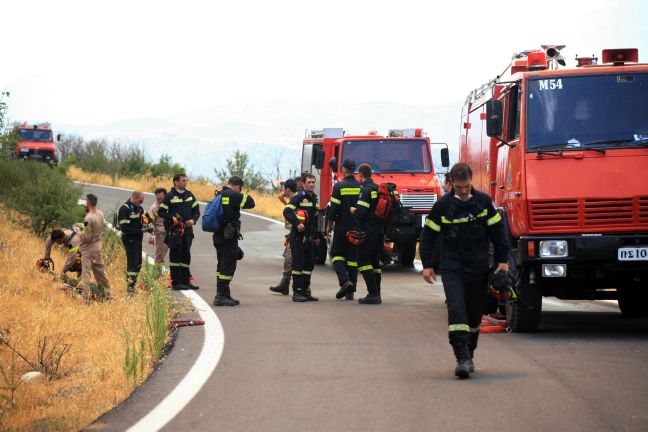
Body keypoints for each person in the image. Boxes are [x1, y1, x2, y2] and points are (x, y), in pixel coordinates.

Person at [419, 163, 509, 379]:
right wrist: (427, 265)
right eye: (459, 188)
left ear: (471, 182)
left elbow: (498, 234)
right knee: (457, 309)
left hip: (478, 268)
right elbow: (428, 237)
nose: (463, 191)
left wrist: (503, 261)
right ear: (451, 184)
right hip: (452, 267)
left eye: (466, 187)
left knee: (473, 315)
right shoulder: (443, 206)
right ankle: (461, 358)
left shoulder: (483, 203)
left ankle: (470, 353)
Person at [212, 176, 256, 306]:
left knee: (221, 264)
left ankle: (224, 294)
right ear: (238, 186)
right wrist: (246, 194)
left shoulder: (219, 194)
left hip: (218, 235)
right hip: (229, 236)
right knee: (228, 264)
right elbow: (251, 203)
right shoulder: (234, 194)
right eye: (240, 189)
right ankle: (221, 296)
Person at [158, 173, 201, 290]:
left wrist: (193, 220)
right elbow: (161, 212)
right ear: (176, 182)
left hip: (187, 230)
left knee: (186, 255)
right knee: (175, 257)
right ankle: (176, 283)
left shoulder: (189, 195)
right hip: (175, 231)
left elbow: (197, 210)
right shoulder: (170, 196)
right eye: (183, 180)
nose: (185, 182)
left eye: (186, 180)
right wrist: (172, 216)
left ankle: (186, 281)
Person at [326, 159, 361, 300]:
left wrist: (328, 224)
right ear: (354, 170)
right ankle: (350, 291)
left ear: (344, 169)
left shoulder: (339, 186)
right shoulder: (361, 186)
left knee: (336, 254)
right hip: (357, 228)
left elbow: (333, 208)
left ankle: (345, 281)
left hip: (342, 227)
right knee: (352, 259)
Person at [350, 163, 383, 304]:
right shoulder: (377, 188)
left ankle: (373, 293)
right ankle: (377, 293)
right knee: (375, 261)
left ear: (360, 175)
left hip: (368, 230)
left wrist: (353, 210)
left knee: (363, 260)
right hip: (379, 230)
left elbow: (362, 213)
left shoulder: (365, 190)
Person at [284, 174, 319, 302]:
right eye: (309, 182)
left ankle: (305, 291)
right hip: (298, 237)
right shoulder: (298, 198)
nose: (311, 184)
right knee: (298, 264)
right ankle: (297, 292)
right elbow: (287, 212)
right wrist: (297, 223)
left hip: (310, 237)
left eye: (313, 182)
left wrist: (316, 236)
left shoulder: (314, 198)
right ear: (303, 184)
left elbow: (314, 220)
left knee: (309, 264)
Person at [77, 193, 111, 300]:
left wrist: (79, 232)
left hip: (88, 249)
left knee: (86, 273)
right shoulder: (100, 213)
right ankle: (108, 294)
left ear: (87, 203)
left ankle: (85, 295)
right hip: (98, 247)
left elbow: (87, 236)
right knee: (100, 272)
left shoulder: (88, 219)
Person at [118, 190, 151, 294]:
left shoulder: (138, 208)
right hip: (129, 240)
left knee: (138, 264)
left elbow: (148, 217)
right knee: (133, 263)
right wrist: (141, 230)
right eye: (140, 201)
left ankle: (133, 285)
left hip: (137, 239)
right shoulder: (125, 209)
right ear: (135, 198)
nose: (141, 203)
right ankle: (130, 288)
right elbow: (125, 229)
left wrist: (149, 224)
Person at [269, 178, 299, 295]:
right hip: (292, 233)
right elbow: (280, 196)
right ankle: (285, 284)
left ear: (287, 189)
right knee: (288, 258)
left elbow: (280, 196)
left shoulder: (296, 200)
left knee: (290, 259)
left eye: (285, 189)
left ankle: (288, 284)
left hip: (295, 233)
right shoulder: (294, 200)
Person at [148, 187, 169, 272]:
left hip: (172, 233)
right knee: (160, 256)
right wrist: (152, 236)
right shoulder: (154, 208)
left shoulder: (170, 204)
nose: (160, 200)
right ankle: (157, 274)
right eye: (158, 198)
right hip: (161, 235)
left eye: (162, 198)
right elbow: (149, 223)